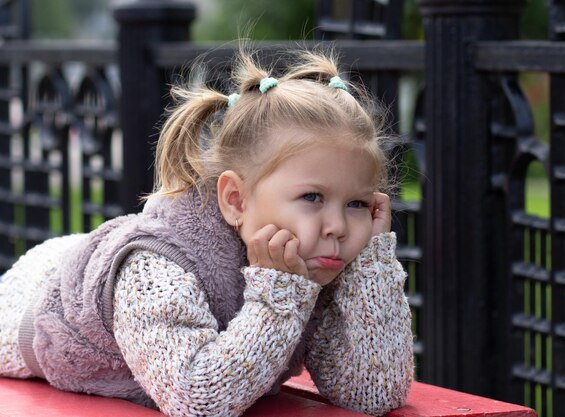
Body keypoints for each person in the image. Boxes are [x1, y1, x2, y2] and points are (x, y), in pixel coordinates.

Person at [0, 48, 414, 417]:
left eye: (357, 204)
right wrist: (280, 294)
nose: (339, 227)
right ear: (236, 199)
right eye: (312, 197)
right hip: (31, 302)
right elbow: (198, 401)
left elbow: (373, 394)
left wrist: (372, 263)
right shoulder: (156, 270)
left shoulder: (311, 259)